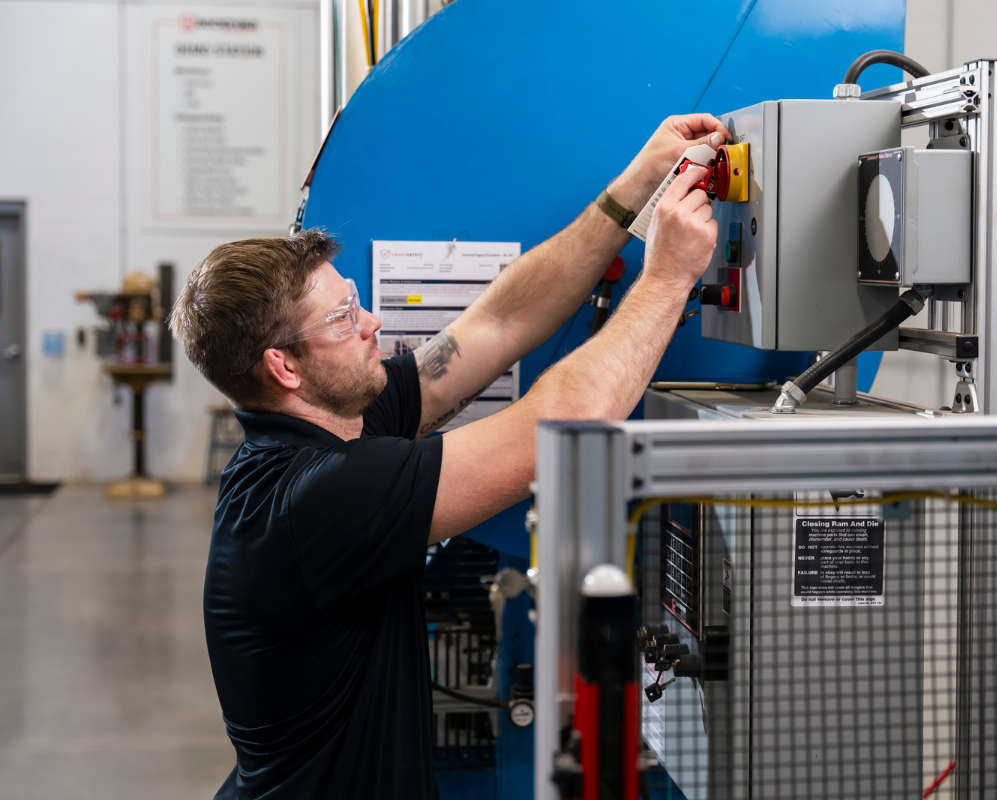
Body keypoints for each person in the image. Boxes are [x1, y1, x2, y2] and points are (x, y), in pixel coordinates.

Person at [168, 113, 729, 799]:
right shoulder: (318, 497)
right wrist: (669, 276)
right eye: (343, 319)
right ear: (283, 367)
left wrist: (632, 191)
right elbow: (566, 421)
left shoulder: (339, 421)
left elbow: (497, 324)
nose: (372, 323)